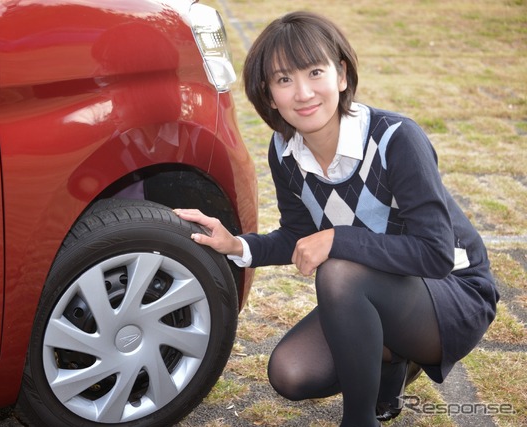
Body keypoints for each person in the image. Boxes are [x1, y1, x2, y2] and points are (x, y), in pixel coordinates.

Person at [175, 10, 499, 427]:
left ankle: (359, 419)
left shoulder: (396, 139)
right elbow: (298, 234)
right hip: (384, 285)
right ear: (269, 94)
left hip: (452, 291)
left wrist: (337, 239)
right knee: (290, 372)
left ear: (341, 75)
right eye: (284, 80)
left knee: (339, 271)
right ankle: (390, 359)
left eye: (314, 72)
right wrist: (237, 245)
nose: (303, 92)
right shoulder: (285, 151)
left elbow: (436, 255)